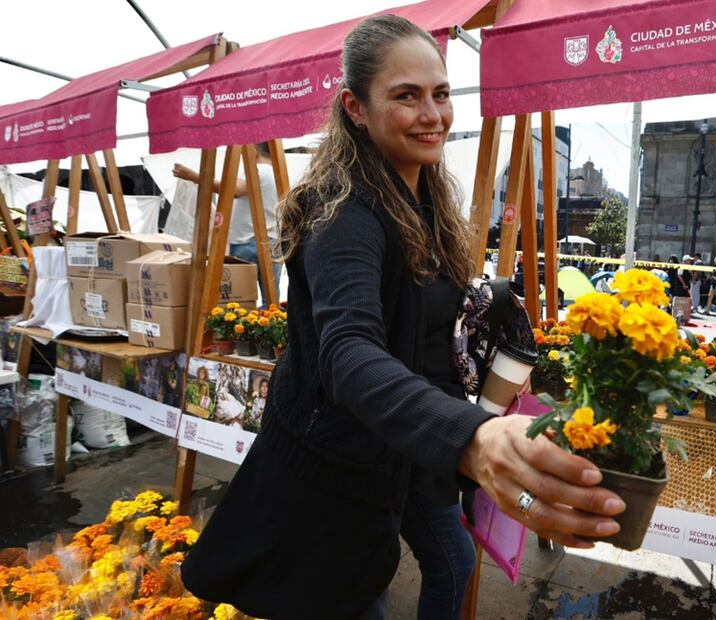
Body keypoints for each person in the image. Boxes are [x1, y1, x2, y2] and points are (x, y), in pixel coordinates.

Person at [180, 16, 624, 620]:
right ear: (355, 108)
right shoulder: (344, 214)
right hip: (333, 474)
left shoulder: (425, 198)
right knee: (359, 597)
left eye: (440, 94)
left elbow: (425, 336)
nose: (432, 114)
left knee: (451, 563)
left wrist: (475, 411)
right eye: (406, 96)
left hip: (402, 448)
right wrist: (470, 438)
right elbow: (348, 353)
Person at [173, 142, 281, 301]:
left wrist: (194, 177)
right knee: (271, 302)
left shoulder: (257, 169)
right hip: (270, 241)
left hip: (249, 242)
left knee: (239, 301)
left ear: (255, 150)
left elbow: (235, 190)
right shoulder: (277, 173)